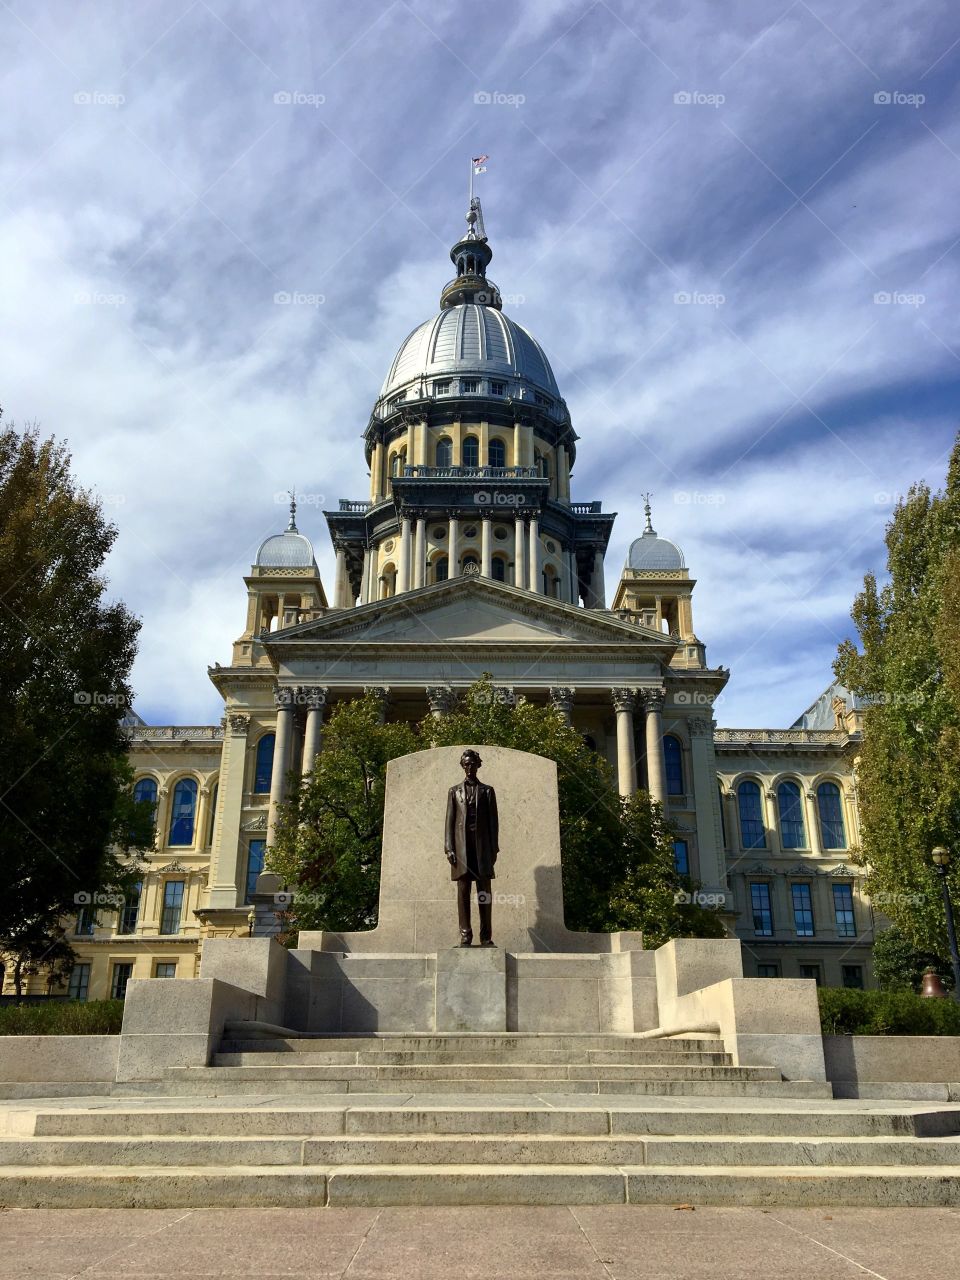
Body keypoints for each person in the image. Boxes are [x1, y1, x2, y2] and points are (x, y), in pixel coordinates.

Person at [444, 749, 499, 946]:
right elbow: (449, 821)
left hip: (482, 848)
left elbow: (493, 823)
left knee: (484, 892)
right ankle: (465, 936)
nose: (469, 767)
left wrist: (494, 849)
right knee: (463, 891)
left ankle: (486, 937)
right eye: (466, 764)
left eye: (472, 764)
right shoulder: (454, 791)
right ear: (462, 766)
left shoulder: (487, 791)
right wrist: (449, 847)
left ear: (478, 765)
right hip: (461, 848)